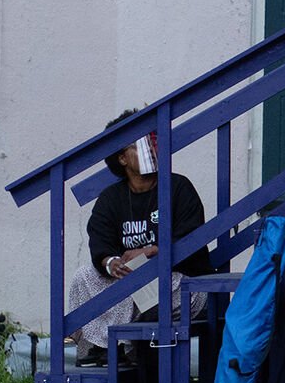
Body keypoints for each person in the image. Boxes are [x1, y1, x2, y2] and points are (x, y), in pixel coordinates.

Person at [68, 111, 211, 366]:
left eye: (153, 141)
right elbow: (100, 239)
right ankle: (100, 346)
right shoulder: (111, 198)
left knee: (136, 278)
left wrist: (151, 251)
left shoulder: (178, 188)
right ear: (122, 158)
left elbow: (191, 240)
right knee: (84, 277)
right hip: (133, 286)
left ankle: (111, 347)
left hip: (182, 286)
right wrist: (111, 262)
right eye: (141, 145)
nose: (152, 149)